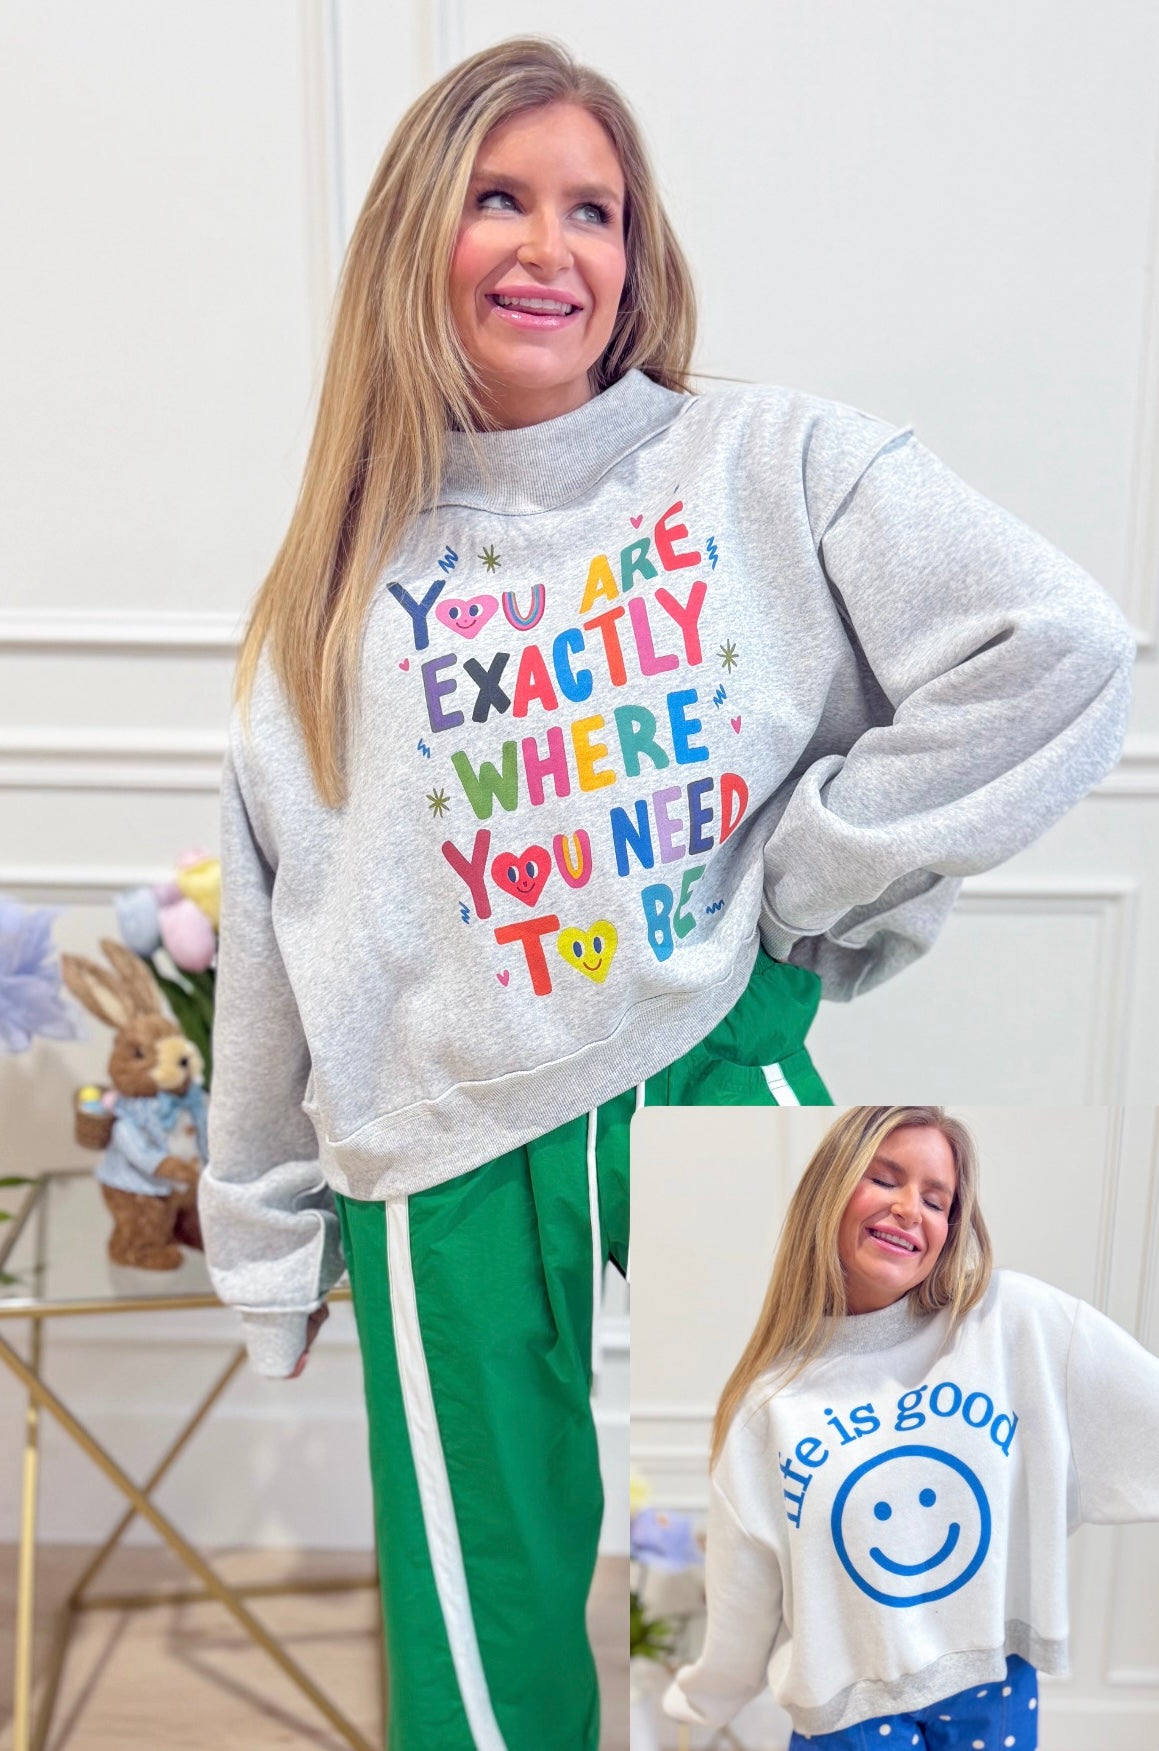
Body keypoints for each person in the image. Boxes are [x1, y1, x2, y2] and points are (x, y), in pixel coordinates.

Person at [197, 34, 1134, 1751]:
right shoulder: (335, 576)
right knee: (484, 1617)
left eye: (594, 210)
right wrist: (264, 1228)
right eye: (498, 198)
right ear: (418, 235)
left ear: (636, 256)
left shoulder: (767, 462)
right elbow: (276, 918)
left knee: (845, 1491)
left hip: (703, 1053)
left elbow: (1055, 649)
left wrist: (808, 878)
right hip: (440, 1147)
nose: (548, 246)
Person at [663, 1106, 1159, 1747]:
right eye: (884, 1178)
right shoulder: (768, 1408)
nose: (908, 1209)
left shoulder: (1013, 1324)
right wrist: (697, 1706)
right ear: (830, 1191)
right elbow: (743, 1600)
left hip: (995, 1685)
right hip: (847, 1712)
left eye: (936, 1200)